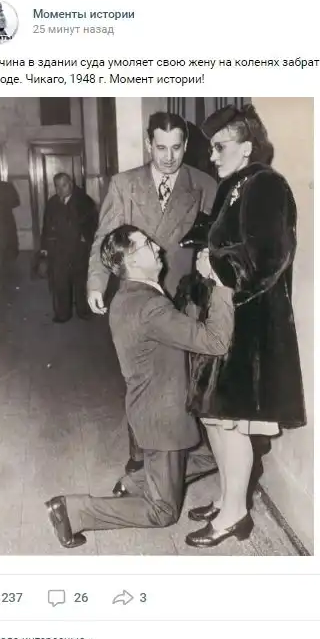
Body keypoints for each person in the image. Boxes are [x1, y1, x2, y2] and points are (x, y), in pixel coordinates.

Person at [45, 224, 234, 549]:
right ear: (131, 261)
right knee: (163, 512)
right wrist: (221, 284)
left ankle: (134, 483)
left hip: (150, 408)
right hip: (162, 419)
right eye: (147, 245)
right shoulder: (149, 306)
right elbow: (215, 341)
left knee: (217, 455)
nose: (157, 247)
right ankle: (72, 511)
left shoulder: (129, 295)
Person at [176, 104, 307, 548]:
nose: (212, 156)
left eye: (220, 147)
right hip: (224, 318)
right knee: (215, 419)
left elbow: (270, 256)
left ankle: (235, 515)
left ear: (247, 147)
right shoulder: (235, 184)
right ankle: (228, 500)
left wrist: (216, 265)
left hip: (248, 327)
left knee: (229, 422)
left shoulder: (267, 184)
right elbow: (229, 240)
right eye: (211, 148)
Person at [87, 111, 217, 474]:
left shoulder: (204, 184)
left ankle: (179, 456)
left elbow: (216, 240)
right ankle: (139, 455)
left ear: (186, 146)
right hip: (139, 297)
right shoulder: (124, 184)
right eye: (161, 148)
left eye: (176, 148)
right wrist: (97, 282)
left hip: (183, 300)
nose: (169, 157)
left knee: (179, 381)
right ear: (149, 144)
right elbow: (104, 238)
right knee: (141, 379)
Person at [40, 173, 98, 323]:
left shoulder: (84, 201)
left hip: (79, 248)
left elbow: (94, 224)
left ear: (71, 183)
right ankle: (62, 313)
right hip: (58, 249)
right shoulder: (52, 202)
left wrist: (87, 240)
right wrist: (44, 246)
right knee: (60, 281)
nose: (60, 190)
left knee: (81, 281)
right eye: (57, 186)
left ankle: (83, 311)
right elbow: (46, 226)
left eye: (64, 185)